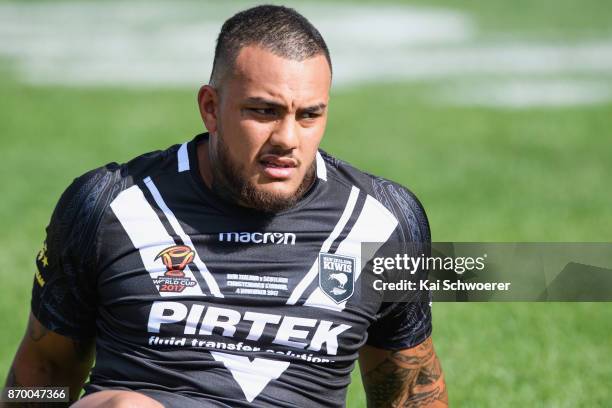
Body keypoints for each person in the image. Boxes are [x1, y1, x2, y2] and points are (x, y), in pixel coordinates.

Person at [5, 5, 447, 407]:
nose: (288, 140)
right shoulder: (110, 205)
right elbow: (45, 373)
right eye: (264, 111)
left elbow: (412, 395)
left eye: (309, 115)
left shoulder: (384, 221)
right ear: (211, 107)